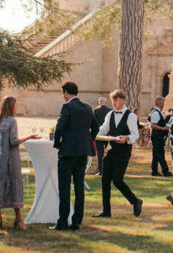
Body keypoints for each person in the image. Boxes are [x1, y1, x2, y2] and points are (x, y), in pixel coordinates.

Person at [0, 96, 37, 230]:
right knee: (15, 184)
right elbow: (13, 141)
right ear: (11, 106)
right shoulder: (12, 121)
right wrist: (29, 137)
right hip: (11, 159)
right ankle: (18, 219)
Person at [52, 81, 94, 231]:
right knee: (79, 187)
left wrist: (57, 143)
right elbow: (94, 128)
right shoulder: (88, 108)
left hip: (68, 151)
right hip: (82, 151)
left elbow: (60, 126)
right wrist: (87, 141)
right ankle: (76, 221)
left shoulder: (67, 107)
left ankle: (63, 221)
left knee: (64, 187)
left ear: (65, 92)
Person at [95, 89, 143, 218]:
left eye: (116, 101)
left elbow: (135, 134)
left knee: (117, 180)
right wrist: (93, 134)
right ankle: (106, 211)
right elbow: (103, 129)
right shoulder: (110, 115)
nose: (114, 103)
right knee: (105, 179)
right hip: (111, 150)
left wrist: (126, 138)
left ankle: (135, 201)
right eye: (113, 101)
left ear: (122, 100)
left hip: (123, 152)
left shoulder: (131, 116)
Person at [147, 95, 171, 177]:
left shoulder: (158, 112)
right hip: (157, 136)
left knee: (156, 154)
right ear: (160, 103)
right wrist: (162, 128)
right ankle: (166, 171)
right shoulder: (156, 113)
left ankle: (154, 171)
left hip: (158, 136)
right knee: (160, 154)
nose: (164, 104)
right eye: (163, 102)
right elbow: (153, 125)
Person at [89, 94, 111, 176]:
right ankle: (107, 169)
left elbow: (93, 123)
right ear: (105, 102)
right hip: (107, 134)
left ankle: (101, 170)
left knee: (100, 153)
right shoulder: (110, 110)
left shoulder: (96, 111)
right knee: (107, 153)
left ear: (99, 102)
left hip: (98, 134)